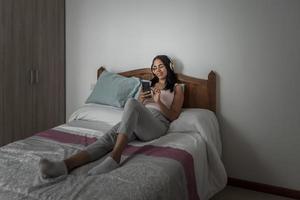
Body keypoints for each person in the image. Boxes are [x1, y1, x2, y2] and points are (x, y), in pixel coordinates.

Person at [39, 55, 184, 178]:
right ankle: (64, 165)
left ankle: (115, 156)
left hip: (157, 125)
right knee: (106, 139)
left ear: (169, 67)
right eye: (154, 67)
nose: (157, 70)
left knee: (131, 103)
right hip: (139, 119)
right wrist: (142, 99)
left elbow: (174, 115)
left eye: (161, 66)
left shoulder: (177, 87)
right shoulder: (149, 85)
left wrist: (159, 102)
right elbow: (137, 106)